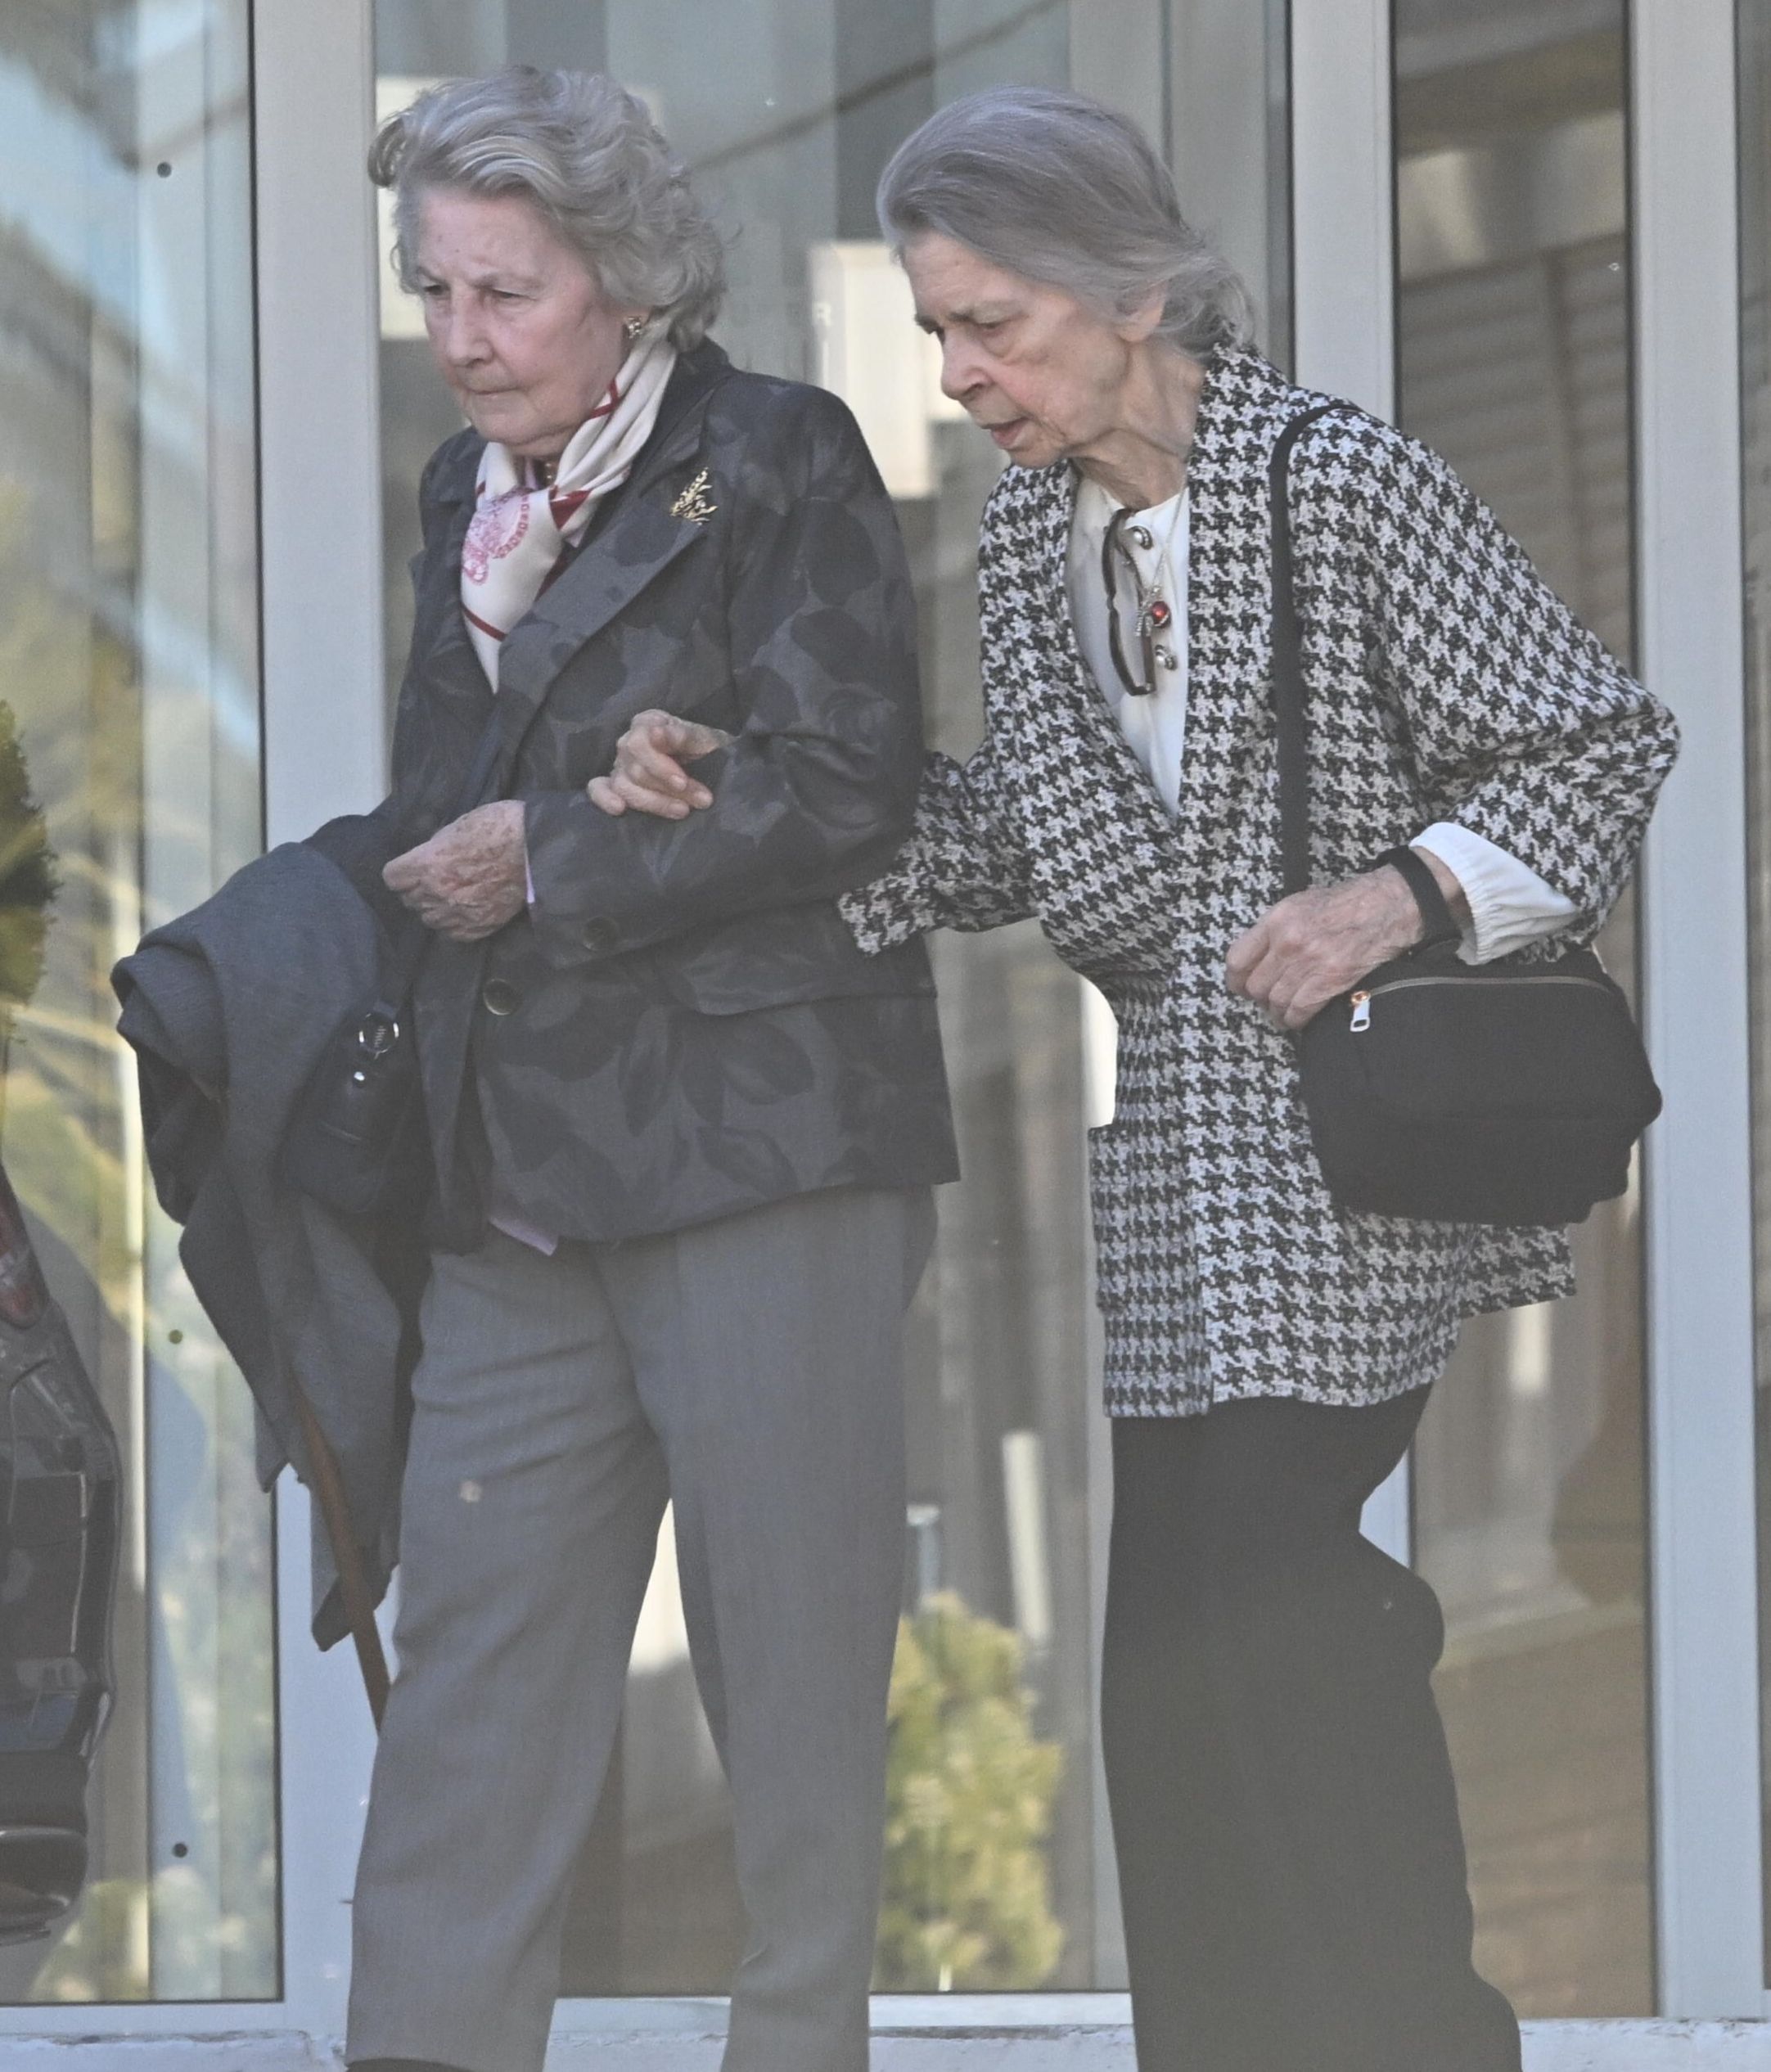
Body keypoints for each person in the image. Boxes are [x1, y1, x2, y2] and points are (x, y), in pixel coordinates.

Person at [593, 87, 1679, 2072]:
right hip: (1183, 1166)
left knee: (1260, 1610)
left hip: (1356, 1153)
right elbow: (1037, 843)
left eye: (990, 321)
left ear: (1132, 292)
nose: (959, 371)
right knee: (1173, 1674)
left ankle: (1417, 2040)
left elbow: (1594, 744)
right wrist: (748, 801)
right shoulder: (1028, 546)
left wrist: (1395, 894)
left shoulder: (1334, 483)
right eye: (935, 330)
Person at [345, 66, 956, 2072]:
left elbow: (857, 782)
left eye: (501, 291)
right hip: (516, 1185)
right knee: (463, 1718)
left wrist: (567, 847)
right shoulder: (463, 493)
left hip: (761, 1160)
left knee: (790, 1717)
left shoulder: (776, 453)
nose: (458, 336)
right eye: (434, 290)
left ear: (621, 281)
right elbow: (458, 813)